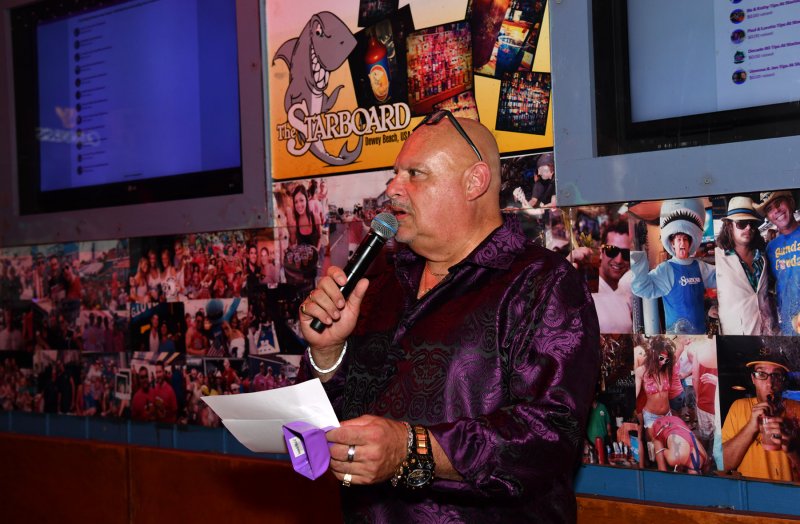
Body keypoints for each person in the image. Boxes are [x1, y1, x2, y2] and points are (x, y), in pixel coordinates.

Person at [298, 111, 599, 522]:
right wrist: (328, 354)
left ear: (474, 182)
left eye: (414, 174)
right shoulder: (380, 284)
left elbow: (548, 435)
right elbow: (335, 425)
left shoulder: (542, 283)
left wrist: (412, 449)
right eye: (394, 174)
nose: (392, 189)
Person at [631, 198, 716, 334]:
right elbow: (641, 288)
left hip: (701, 337)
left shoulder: (700, 267)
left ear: (690, 243)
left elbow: (722, 278)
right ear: (672, 244)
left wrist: (710, 307)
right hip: (677, 341)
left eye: (685, 239)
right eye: (678, 239)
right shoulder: (665, 269)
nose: (682, 243)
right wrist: (637, 261)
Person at [721, 356, 800, 481]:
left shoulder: (797, 409)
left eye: (776, 375)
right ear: (753, 378)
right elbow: (724, 465)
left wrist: (793, 449)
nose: (769, 383)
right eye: (761, 374)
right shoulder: (738, 407)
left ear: (783, 380)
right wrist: (751, 427)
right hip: (750, 494)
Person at [715, 196, 775, 335]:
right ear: (729, 226)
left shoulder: (762, 257)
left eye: (751, 224)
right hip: (737, 337)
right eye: (741, 223)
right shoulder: (718, 259)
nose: (748, 227)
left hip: (768, 333)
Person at [755, 191, 800, 335]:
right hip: (789, 326)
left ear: (791, 203)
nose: (776, 210)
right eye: (769, 209)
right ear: (768, 217)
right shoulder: (771, 248)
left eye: (779, 202)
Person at [634, 336, 679, 471]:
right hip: (651, 417)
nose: (664, 361)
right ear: (653, 354)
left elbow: (678, 349)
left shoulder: (667, 369)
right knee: (657, 448)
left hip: (667, 414)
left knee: (668, 446)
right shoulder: (641, 371)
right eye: (661, 358)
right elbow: (635, 393)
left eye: (667, 359)